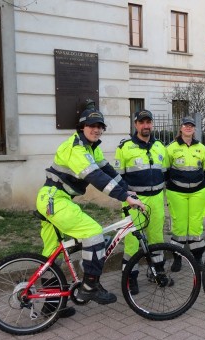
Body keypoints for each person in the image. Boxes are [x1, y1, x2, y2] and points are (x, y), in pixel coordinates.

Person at [36, 109, 144, 314]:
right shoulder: (75, 148)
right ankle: (90, 286)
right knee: (93, 233)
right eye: (91, 126)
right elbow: (96, 177)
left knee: (51, 255)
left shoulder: (92, 148)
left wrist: (127, 190)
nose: (96, 130)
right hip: (54, 199)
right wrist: (124, 197)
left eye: (99, 126)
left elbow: (107, 171)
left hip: (54, 199)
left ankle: (51, 307)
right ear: (82, 127)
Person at [114, 110, 169, 294]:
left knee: (156, 237)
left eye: (148, 122)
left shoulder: (160, 146)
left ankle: (157, 272)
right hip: (134, 200)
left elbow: (165, 171)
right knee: (132, 241)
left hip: (157, 199)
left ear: (152, 124)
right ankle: (130, 278)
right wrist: (127, 196)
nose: (146, 126)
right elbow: (118, 177)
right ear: (136, 124)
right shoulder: (124, 147)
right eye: (142, 122)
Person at [166, 116, 205, 270]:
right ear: (181, 127)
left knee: (196, 227)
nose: (188, 128)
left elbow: (204, 169)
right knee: (179, 227)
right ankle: (177, 258)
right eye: (186, 125)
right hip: (176, 193)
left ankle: (197, 258)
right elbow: (166, 170)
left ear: (194, 129)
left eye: (191, 125)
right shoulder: (170, 148)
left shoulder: (202, 148)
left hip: (198, 192)